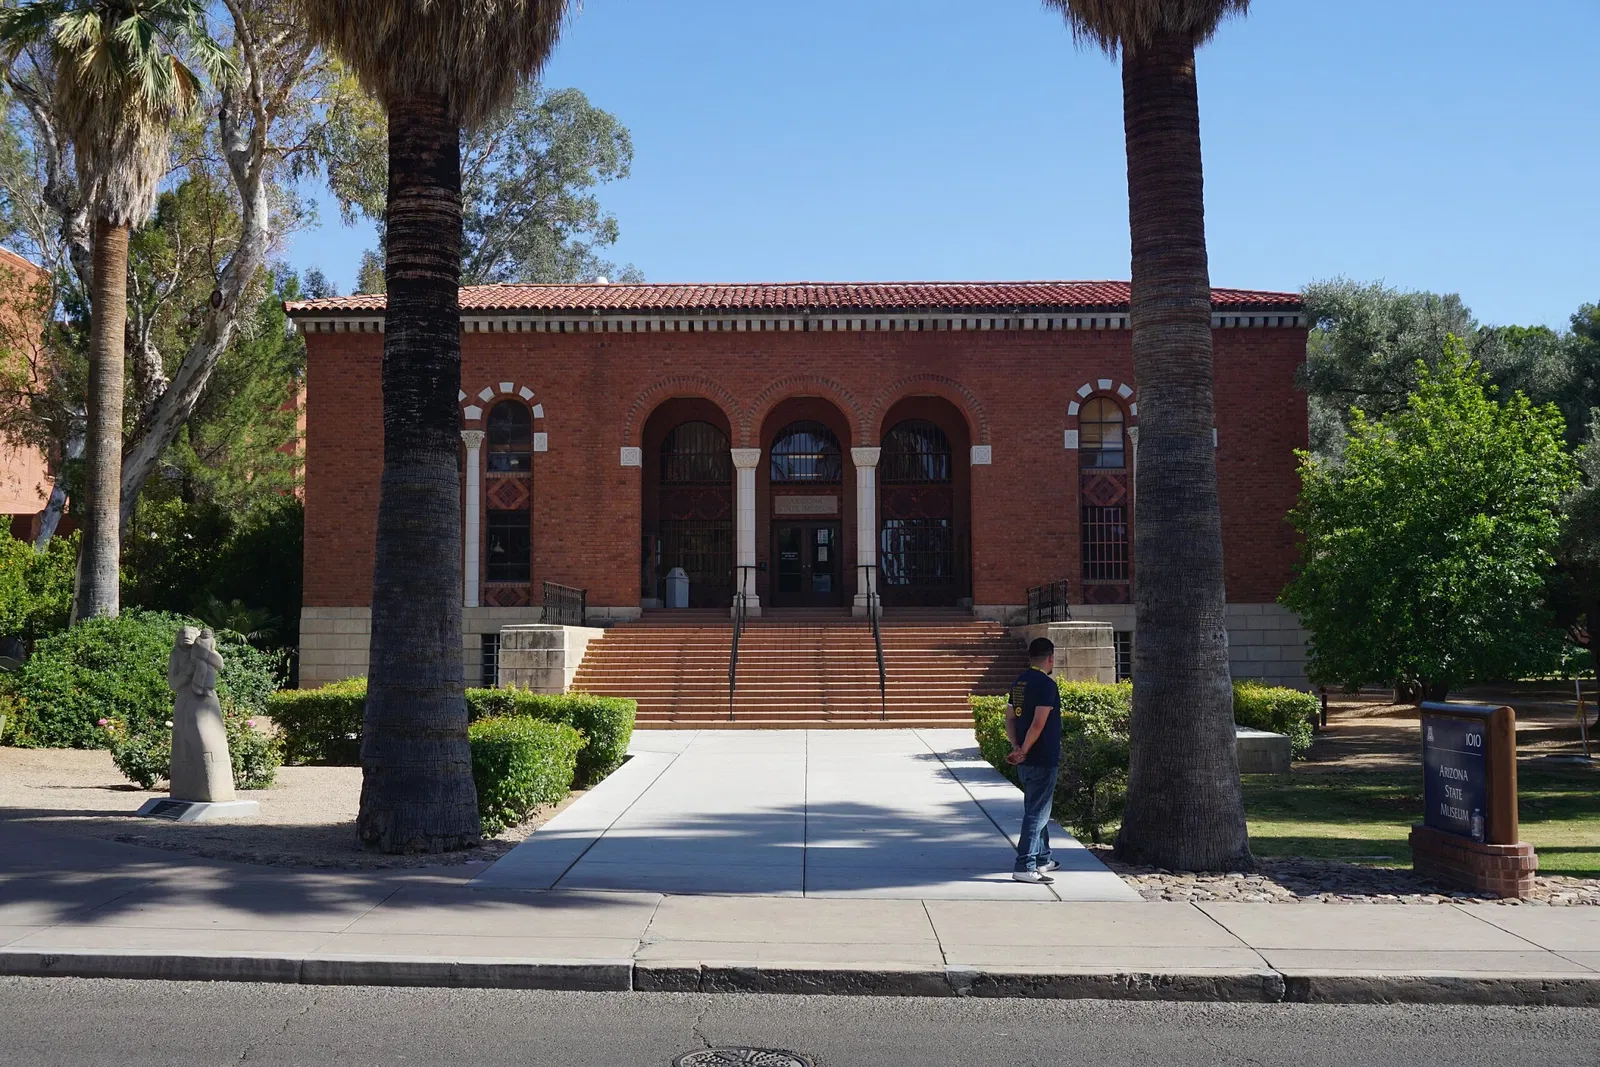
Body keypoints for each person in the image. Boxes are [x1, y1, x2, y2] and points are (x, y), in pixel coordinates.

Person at [1005, 636, 1061, 883]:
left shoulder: (1019, 682)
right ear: (1050, 658)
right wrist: (1025, 748)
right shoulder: (1046, 684)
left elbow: (1010, 719)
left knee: (1038, 807)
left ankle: (1042, 858)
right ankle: (1025, 864)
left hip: (1025, 760)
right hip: (1041, 757)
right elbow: (1039, 723)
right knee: (1037, 812)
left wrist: (1016, 747)